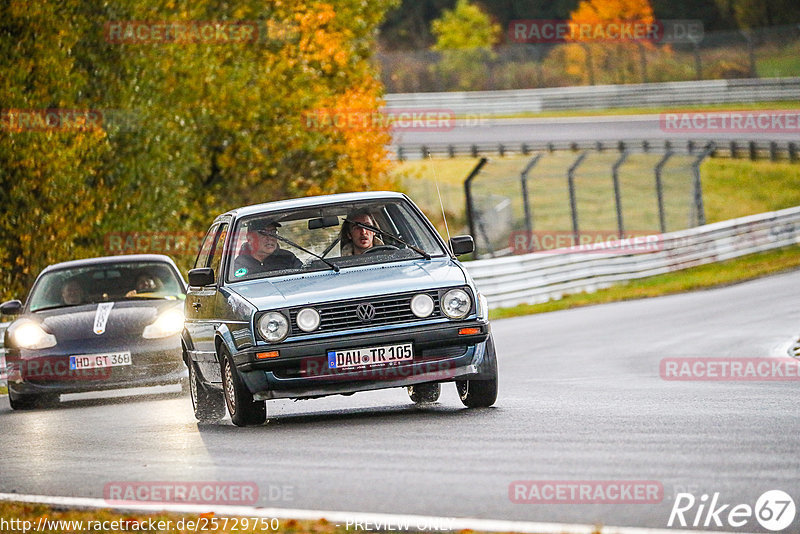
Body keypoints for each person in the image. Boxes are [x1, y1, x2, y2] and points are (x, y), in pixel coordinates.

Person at [233, 219, 302, 276]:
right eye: (264, 233)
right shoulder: (237, 265)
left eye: (273, 232)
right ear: (250, 238)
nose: (270, 237)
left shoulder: (289, 258)